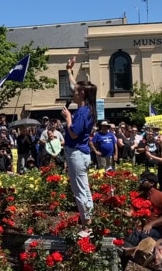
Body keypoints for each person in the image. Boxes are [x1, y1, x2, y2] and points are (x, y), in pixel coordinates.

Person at [62, 56, 97, 237]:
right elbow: (74, 85)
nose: (73, 92)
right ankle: (88, 222)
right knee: (84, 189)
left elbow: (74, 133)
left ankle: (87, 226)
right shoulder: (88, 108)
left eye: (76, 91)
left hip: (76, 153)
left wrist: (68, 118)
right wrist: (69, 70)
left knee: (80, 190)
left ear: (82, 94)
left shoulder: (83, 112)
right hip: (78, 153)